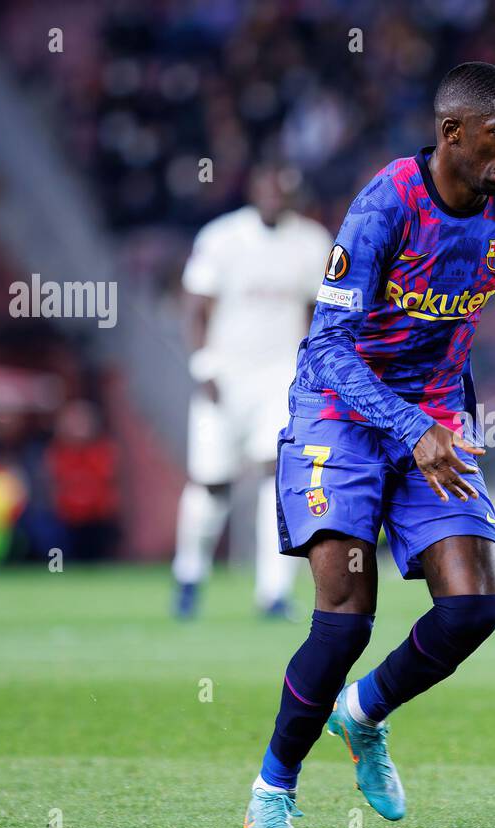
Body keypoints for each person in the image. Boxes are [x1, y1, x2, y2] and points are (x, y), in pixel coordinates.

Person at [242, 62, 495, 828]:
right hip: (341, 414)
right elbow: (328, 346)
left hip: (434, 416)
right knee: (344, 621)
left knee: (474, 607)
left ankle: (364, 713)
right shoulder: (385, 206)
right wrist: (410, 427)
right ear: (452, 133)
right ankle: (274, 787)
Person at [172, 160, 333, 619]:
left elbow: (316, 313)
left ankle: (274, 592)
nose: (275, 196)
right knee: (211, 485)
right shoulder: (221, 238)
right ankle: (189, 574)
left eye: (284, 189)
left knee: (277, 479)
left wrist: (312, 371)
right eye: (268, 187)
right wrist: (204, 366)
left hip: (279, 378)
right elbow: (195, 307)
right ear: (253, 188)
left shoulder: (311, 241)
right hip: (225, 375)